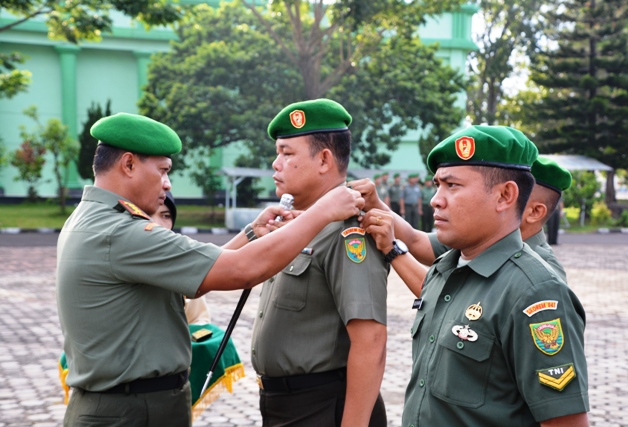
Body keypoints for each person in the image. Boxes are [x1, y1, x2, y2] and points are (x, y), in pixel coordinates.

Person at [56, 112, 364, 427]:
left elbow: (200, 270)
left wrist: (250, 233)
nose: (168, 183)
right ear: (129, 164)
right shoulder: (120, 233)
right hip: (128, 412)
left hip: (123, 405)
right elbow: (241, 270)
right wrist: (324, 211)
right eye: (163, 170)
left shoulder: (93, 219)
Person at [360, 125, 589, 426]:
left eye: (452, 186)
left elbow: (565, 422)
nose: (436, 200)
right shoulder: (447, 268)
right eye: (438, 185)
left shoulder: (535, 291)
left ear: (505, 195)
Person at [251, 99, 389, 427]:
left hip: (323, 406)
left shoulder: (347, 231)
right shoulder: (301, 226)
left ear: (324, 159)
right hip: (285, 405)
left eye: (287, 153)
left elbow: (370, 341)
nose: (275, 164)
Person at [349, 155, 573, 282]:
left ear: (535, 212)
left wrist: (392, 251)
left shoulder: (543, 276)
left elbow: (453, 303)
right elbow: (416, 241)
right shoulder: (476, 241)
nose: (436, 200)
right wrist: (375, 205)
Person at [152, 191, 212, 324]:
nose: (157, 224)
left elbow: (199, 321)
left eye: (166, 216)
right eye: (148, 215)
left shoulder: (182, 264)